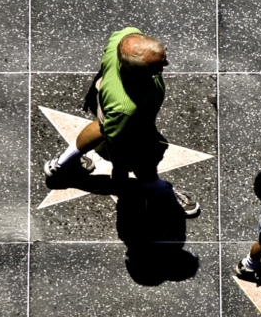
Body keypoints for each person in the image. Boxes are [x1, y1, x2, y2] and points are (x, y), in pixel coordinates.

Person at [42, 27, 199, 216]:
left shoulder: (123, 37)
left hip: (104, 97)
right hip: (130, 123)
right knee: (145, 162)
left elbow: (107, 127)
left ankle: (61, 165)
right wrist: (119, 168)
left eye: (164, 54)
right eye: (158, 66)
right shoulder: (127, 108)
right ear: (138, 73)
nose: (166, 62)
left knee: (102, 125)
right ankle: (158, 189)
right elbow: (115, 143)